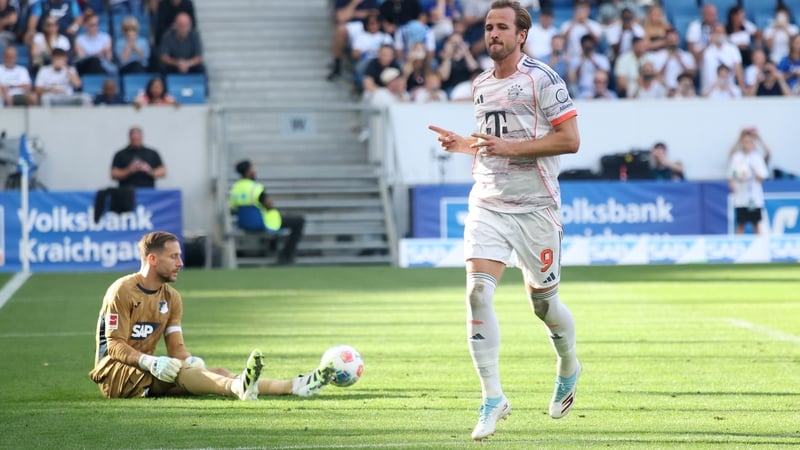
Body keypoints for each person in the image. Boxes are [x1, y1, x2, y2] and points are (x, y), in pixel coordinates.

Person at [428, 0, 581, 441]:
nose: (492, 33)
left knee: (544, 305)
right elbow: (491, 143)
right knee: (477, 292)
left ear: (521, 36)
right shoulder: (479, 85)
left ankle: (568, 364)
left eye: (501, 27)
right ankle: (493, 398)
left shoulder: (542, 79)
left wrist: (507, 150)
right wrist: (465, 146)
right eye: (488, 26)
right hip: (489, 202)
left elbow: (570, 140)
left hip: (536, 207)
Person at [89, 231, 334, 399]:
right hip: (116, 375)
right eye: (174, 256)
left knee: (215, 373)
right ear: (152, 259)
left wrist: (191, 360)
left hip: (148, 373)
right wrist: (150, 362)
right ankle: (237, 388)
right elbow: (114, 346)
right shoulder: (121, 291)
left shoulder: (171, 297)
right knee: (184, 373)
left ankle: (294, 386)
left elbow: (177, 349)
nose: (181, 262)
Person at [229, 159, 305, 265]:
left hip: (243, 223)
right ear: (248, 171)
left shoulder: (235, 188)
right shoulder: (255, 188)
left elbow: (233, 208)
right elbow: (268, 205)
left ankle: (273, 248)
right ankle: (286, 255)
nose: (255, 170)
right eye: (252, 168)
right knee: (299, 221)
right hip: (263, 222)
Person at [727, 128, 770, 234]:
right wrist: (734, 180)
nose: (747, 144)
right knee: (741, 223)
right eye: (745, 141)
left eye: (750, 142)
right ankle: (738, 247)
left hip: (754, 197)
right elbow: (731, 175)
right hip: (741, 196)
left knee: (756, 223)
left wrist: (752, 171)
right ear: (742, 143)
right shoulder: (737, 157)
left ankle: (759, 247)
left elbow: (762, 177)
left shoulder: (757, 157)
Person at [74, 10, 117, 75]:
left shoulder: (106, 37)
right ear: (86, 25)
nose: (95, 27)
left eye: (96, 24)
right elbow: (82, 58)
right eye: (92, 25)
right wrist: (100, 53)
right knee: (94, 61)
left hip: (103, 66)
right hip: (87, 67)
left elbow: (108, 57)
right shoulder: (80, 39)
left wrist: (95, 55)